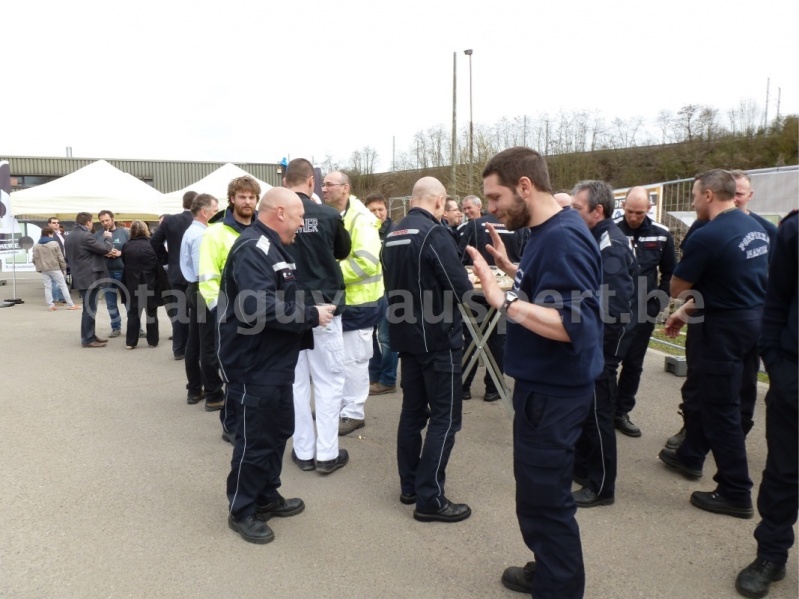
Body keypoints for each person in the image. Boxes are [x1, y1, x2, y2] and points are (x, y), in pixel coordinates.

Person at [468, 147, 603, 598]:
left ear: (525, 186)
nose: (490, 208)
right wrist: (513, 270)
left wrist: (502, 299)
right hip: (544, 389)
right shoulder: (546, 233)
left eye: (495, 196)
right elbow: (554, 291)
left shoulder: (563, 236)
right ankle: (547, 567)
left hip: (555, 395)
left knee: (546, 503)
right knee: (535, 496)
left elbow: (573, 325)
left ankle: (558, 586)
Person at [219, 187, 335, 544]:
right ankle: (242, 509)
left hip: (275, 360)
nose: (303, 223)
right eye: (300, 216)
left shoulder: (275, 247)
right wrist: (312, 315)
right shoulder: (254, 249)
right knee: (255, 439)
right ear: (281, 212)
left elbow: (283, 295)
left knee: (277, 430)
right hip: (253, 363)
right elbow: (258, 308)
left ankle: (267, 494)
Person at [658, 169, 768, 519]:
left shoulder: (707, 235)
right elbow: (730, 280)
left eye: (693, 196)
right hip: (754, 322)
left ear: (708, 195)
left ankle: (735, 490)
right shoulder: (757, 228)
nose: (692, 203)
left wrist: (683, 301)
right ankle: (690, 454)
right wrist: (687, 312)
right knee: (727, 397)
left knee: (721, 408)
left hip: (724, 330)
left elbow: (677, 286)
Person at [383, 176, 473, 523]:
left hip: (406, 337)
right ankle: (430, 497)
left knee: (413, 413)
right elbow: (460, 286)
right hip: (436, 339)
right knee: (445, 418)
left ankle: (410, 485)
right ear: (440, 201)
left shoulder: (392, 234)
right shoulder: (434, 233)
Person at [735, 210, 797, 599]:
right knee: (784, 472)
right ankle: (771, 554)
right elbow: (776, 297)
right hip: (794, 374)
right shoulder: (794, 229)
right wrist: (774, 360)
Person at [570, 180, 637, 508]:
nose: (571, 212)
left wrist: (594, 345)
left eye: (576, 208)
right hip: (592, 339)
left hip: (603, 341)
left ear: (598, 211)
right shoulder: (594, 237)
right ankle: (583, 468)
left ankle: (601, 486)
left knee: (599, 411)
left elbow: (615, 303)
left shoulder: (610, 243)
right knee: (586, 408)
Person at [282, 158, 351, 474]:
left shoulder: (277, 217)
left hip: (290, 310)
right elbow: (342, 251)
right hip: (324, 308)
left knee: (297, 383)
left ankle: (303, 450)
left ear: (286, 182)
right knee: (328, 381)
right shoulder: (328, 214)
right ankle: (326, 454)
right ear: (311, 181)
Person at [322, 172, 384, 436]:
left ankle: (354, 412)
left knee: (355, 361)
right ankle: (342, 407)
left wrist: (329, 272)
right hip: (345, 302)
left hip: (362, 303)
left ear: (345, 188)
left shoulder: (361, 220)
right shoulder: (338, 216)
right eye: (323, 184)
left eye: (328, 184)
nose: (323, 188)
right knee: (339, 359)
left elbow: (366, 263)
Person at [198, 176, 259, 444]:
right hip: (230, 315)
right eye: (242, 197)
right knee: (235, 373)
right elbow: (208, 277)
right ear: (232, 199)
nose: (248, 202)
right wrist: (220, 311)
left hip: (260, 313)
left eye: (252, 197)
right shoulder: (216, 233)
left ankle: (249, 421)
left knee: (255, 371)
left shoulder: (263, 228)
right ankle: (231, 426)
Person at [613, 186, 676, 437]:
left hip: (643, 311)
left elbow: (670, 272)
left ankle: (621, 411)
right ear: (623, 207)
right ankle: (602, 411)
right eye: (630, 211)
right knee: (608, 363)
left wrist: (657, 304)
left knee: (634, 365)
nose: (634, 217)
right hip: (613, 310)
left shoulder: (661, 235)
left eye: (639, 212)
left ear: (649, 209)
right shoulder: (611, 230)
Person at [458, 196, 528, 402]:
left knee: (472, 337)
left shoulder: (475, 225)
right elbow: (525, 258)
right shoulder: (520, 228)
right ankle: (493, 388)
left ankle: (464, 386)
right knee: (499, 339)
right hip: (508, 290)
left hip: (479, 288)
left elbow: (462, 257)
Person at [180, 193, 224, 411]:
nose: (218, 214)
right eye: (215, 210)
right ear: (205, 213)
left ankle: (195, 388)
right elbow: (202, 271)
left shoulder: (193, 231)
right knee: (207, 343)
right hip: (202, 291)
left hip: (195, 290)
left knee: (195, 341)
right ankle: (214, 394)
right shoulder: (202, 235)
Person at [151, 191, 196, 360]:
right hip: (197, 272)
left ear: (183, 203)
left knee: (179, 311)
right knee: (199, 313)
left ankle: (179, 349)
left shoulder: (170, 220)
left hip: (176, 272)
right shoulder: (201, 221)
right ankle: (195, 348)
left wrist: (167, 260)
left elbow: (155, 241)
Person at [365, 193, 399, 396]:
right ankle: (374, 374)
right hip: (368, 291)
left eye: (381, 209)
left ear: (387, 210)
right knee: (368, 335)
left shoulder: (395, 232)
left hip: (389, 290)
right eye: (372, 210)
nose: (378, 214)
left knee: (386, 337)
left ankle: (388, 379)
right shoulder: (363, 231)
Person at [64, 212, 113, 348]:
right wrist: (108, 238)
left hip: (80, 275)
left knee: (89, 308)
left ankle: (90, 335)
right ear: (88, 222)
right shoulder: (85, 235)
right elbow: (105, 249)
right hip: (89, 277)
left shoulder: (70, 236)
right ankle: (87, 339)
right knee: (90, 309)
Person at [121, 220, 165, 349]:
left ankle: (131, 342)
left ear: (132, 231)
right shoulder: (152, 245)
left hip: (133, 283)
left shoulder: (126, 245)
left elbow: (125, 262)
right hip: (150, 282)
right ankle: (152, 341)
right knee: (151, 311)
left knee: (133, 312)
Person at [95, 210, 129, 338]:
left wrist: (120, 253)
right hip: (106, 272)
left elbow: (131, 248)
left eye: (107, 220)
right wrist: (105, 253)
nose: (105, 223)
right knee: (111, 302)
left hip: (123, 271)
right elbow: (94, 251)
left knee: (128, 301)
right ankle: (116, 327)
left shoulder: (124, 233)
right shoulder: (97, 235)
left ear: (113, 219)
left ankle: (136, 327)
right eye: (102, 221)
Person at [32, 226, 79, 311]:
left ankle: (51, 305)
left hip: (44, 269)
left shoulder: (36, 246)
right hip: (55, 268)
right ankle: (71, 304)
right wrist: (63, 267)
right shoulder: (54, 243)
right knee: (63, 286)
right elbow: (60, 257)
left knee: (47, 287)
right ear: (50, 234)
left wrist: (39, 268)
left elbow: (34, 259)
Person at [47, 216, 68, 304]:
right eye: (54, 223)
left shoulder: (60, 234)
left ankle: (61, 298)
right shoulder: (48, 234)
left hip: (63, 259)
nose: (56, 224)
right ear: (49, 224)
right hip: (54, 261)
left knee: (62, 280)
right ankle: (55, 299)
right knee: (55, 282)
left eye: (57, 222)